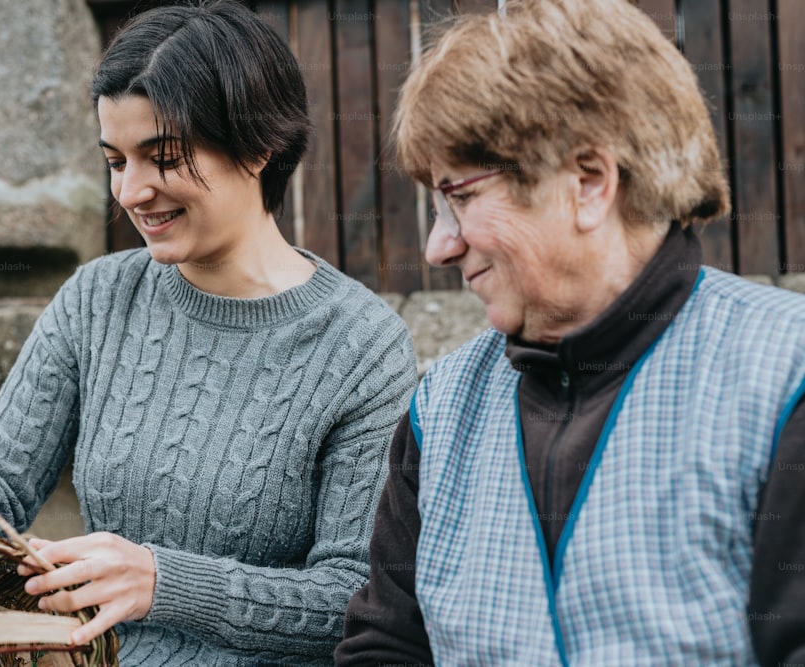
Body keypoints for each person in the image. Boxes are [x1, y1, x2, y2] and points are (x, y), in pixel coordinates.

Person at [0, 2, 417, 664]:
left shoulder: (362, 347)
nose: (131, 190)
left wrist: (165, 583)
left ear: (257, 144)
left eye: (163, 156)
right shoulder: (99, 298)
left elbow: (350, 601)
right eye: (115, 160)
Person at [334, 0, 805, 664]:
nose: (440, 245)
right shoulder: (440, 411)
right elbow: (386, 647)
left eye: (460, 197)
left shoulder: (785, 379)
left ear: (588, 182)